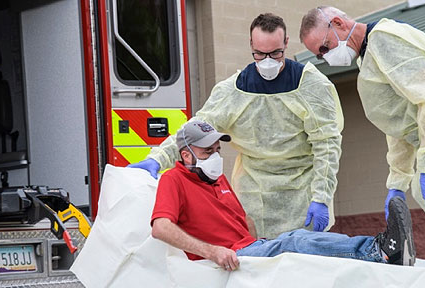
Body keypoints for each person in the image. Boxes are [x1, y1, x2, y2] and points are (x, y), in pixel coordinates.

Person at [130, 13, 344, 239]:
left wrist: (321, 196)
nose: (268, 60)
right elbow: (197, 129)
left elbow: (327, 145)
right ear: (251, 45)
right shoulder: (233, 91)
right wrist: (158, 158)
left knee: (304, 262)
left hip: (303, 194)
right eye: (260, 54)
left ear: (286, 43)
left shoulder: (312, 86)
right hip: (253, 195)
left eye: (276, 53)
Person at [299, 7, 425, 271]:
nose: (326, 57)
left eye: (325, 47)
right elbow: (401, 127)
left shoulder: (385, 41)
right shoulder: (371, 54)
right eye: (320, 55)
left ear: (338, 23)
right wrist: (398, 183)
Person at [150, 120, 416, 269]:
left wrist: (257, 240)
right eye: (208, 152)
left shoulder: (217, 179)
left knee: (294, 237)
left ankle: (380, 251)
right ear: (186, 155)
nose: (216, 156)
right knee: (294, 243)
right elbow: (161, 228)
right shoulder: (174, 180)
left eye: (218, 150)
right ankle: (379, 250)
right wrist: (213, 252)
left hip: (249, 248)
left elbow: (244, 223)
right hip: (228, 259)